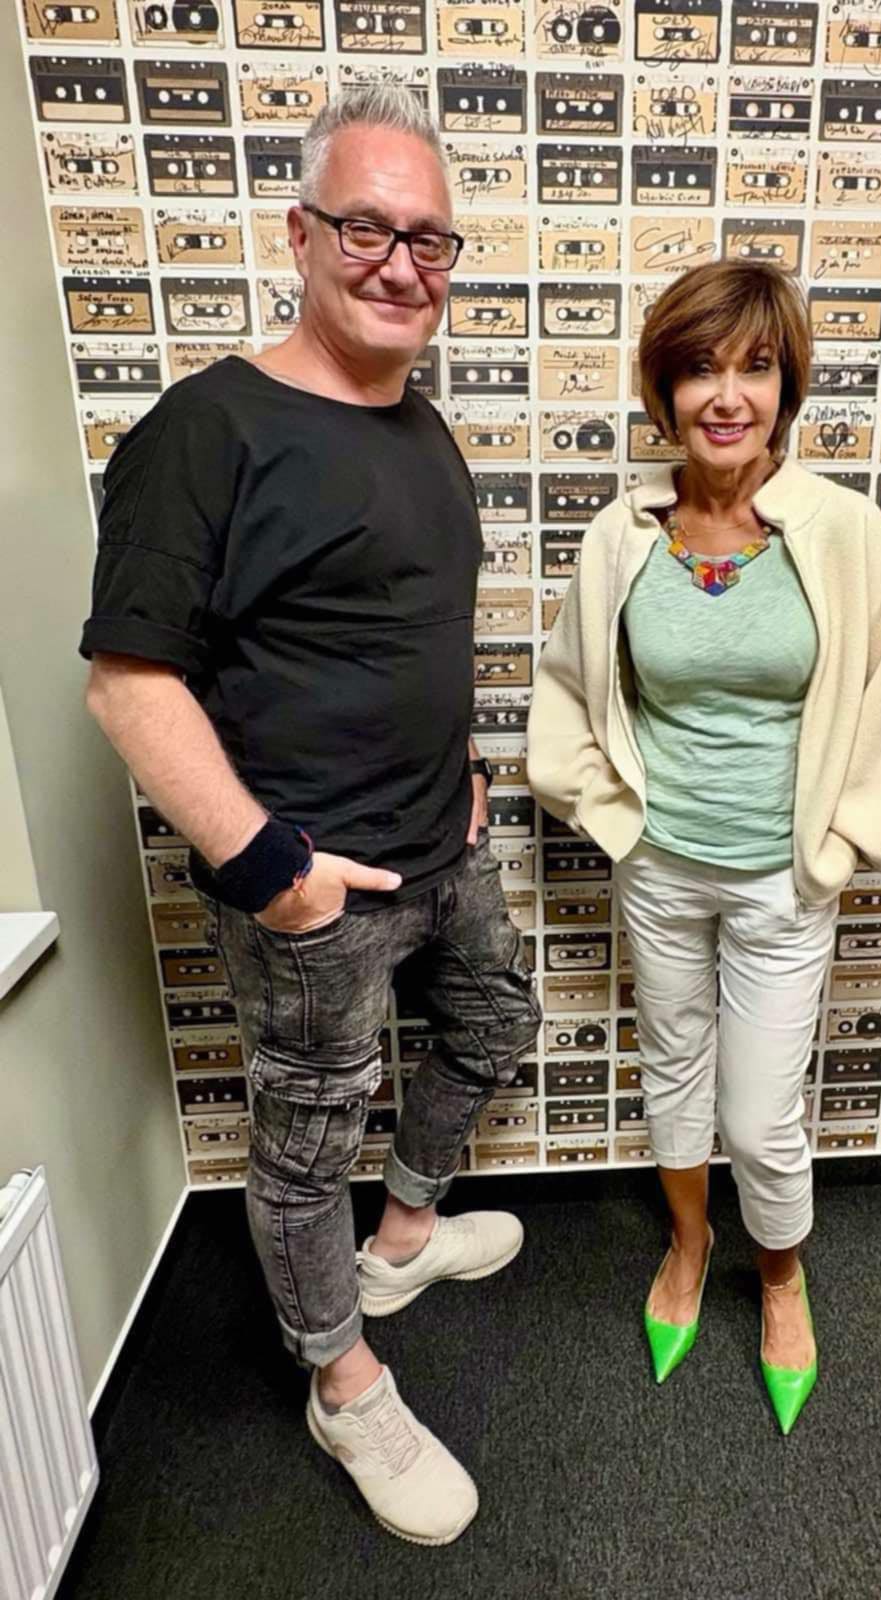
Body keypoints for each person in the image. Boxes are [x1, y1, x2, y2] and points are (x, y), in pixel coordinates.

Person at [81, 85, 541, 1543]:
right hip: (314, 892)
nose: (401, 264)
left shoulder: (421, 426)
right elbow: (129, 684)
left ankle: (401, 1239)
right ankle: (343, 1384)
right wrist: (277, 869)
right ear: (299, 233)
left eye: (429, 239)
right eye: (366, 229)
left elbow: (404, 629)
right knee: (304, 1144)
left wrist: (464, 777)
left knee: (493, 1023)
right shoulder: (206, 428)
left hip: (443, 846)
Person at [527, 258, 881, 1434]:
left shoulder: (844, 532)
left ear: (785, 387)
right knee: (672, 1067)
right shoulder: (620, 536)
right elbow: (567, 687)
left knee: (761, 1113)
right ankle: (687, 1243)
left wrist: (841, 840)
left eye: (755, 367)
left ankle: (779, 1277)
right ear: (664, 392)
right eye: (700, 369)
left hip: (781, 879)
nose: (727, 395)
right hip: (659, 869)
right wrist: (610, 811)